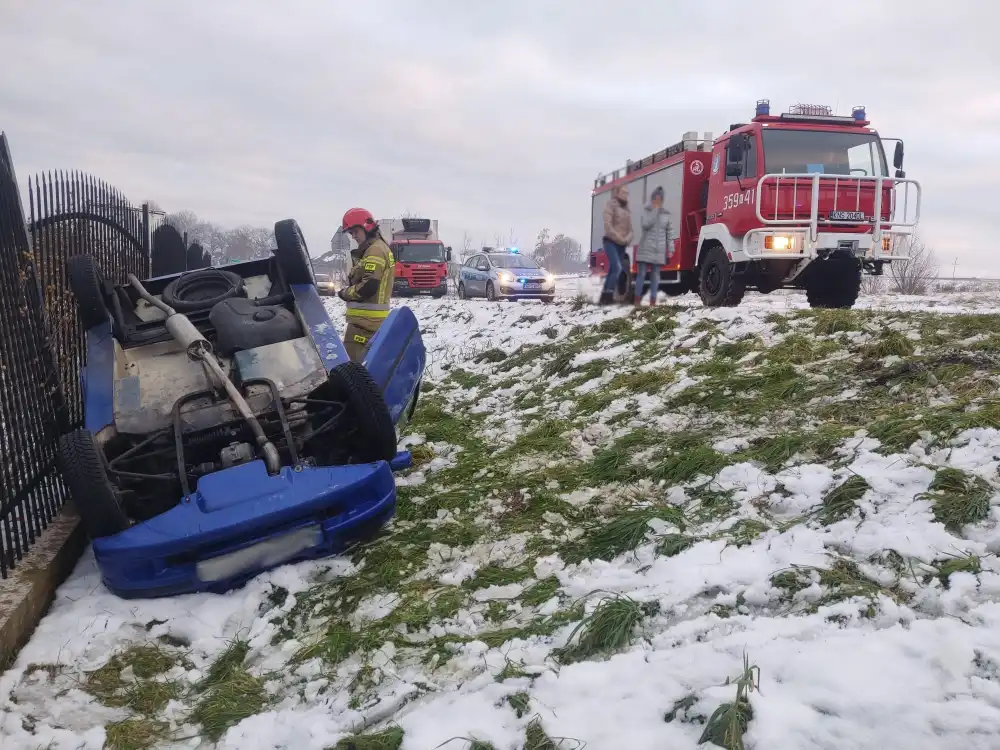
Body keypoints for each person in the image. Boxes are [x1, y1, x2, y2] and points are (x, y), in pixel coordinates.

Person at [337, 208, 395, 362]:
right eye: (351, 233)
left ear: (366, 226)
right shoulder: (376, 247)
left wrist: (345, 293)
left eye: (356, 231)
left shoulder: (375, 250)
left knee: (352, 373)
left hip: (365, 325)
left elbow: (369, 286)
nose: (354, 236)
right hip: (367, 323)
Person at [634, 186, 672, 306]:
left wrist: (670, 248)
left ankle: (652, 302)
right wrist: (655, 211)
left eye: (660, 200)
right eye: (655, 199)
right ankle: (637, 300)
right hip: (646, 248)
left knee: (655, 276)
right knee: (642, 274)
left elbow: (670, 232)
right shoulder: (646, 211)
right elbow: (645, 224)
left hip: (659, 250)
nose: (657, 202)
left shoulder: (666, 214)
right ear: (652, 199)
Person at [600, 184, 633, 305]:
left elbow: (631, 230)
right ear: (617, 194)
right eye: (623, 192)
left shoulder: (627, 210)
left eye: (627, 193)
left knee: (613, 269)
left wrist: (626, 239)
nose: (626, 195)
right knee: (618, 267)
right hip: (610, 242)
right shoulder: (610, 205)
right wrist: (619, 238)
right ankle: (608, 296)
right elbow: (607, 225)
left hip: (621, 244)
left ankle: (604, 296)